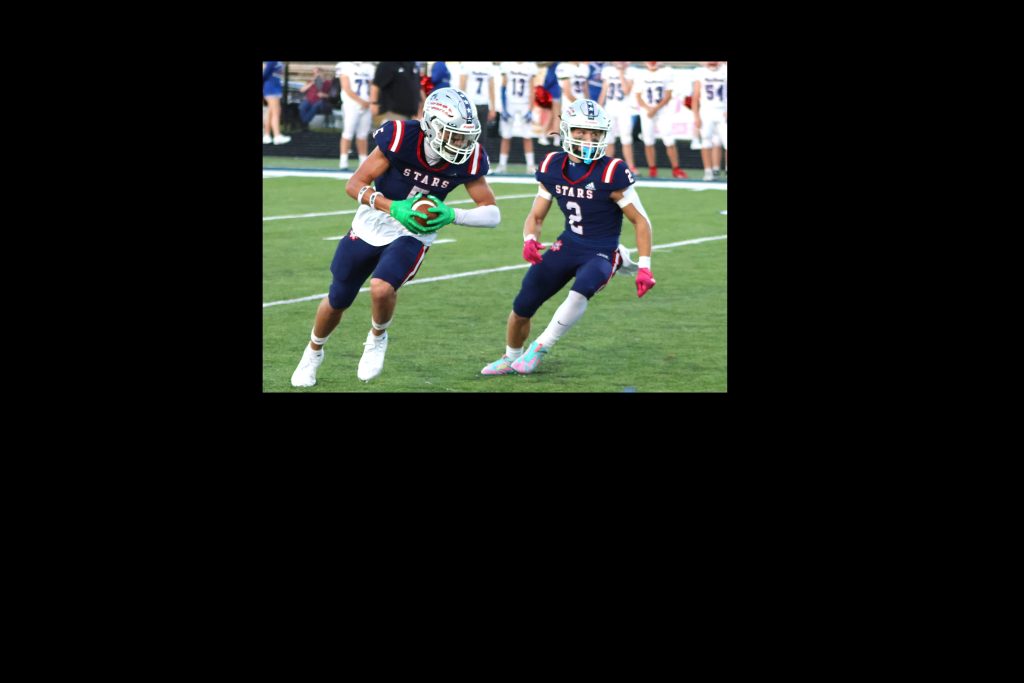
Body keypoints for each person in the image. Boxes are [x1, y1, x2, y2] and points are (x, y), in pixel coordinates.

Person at [290, 87, 502, 387]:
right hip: (372, 222)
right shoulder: (402, 137)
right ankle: (313, 352)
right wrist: (392, 207)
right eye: (454, 135)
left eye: (465, 137)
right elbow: (355, 184)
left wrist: (452, 214)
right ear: (431, 126)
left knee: (381, 287)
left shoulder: (470, 158)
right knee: (338, 297)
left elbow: (492, 213)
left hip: (414, 232)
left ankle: (377, 337)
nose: (461, 144)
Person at [480, 99, 655, 377]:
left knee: (582, 288)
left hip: (601, 250)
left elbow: (640, 220)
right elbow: (537, 215)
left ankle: (541, 346)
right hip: (568, 244)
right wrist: (529, 239)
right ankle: (510, 357)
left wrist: (645, 266)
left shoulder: (611, 171)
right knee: (523, 304)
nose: (589, 139)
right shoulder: (552, 165)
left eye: (595, 134)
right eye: (581, 132)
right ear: (566, 131)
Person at [634, 61, 685, 178]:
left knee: (669, 140)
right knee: (648, 141)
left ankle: (676, 169)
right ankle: (652, 169)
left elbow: (668, 95)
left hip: (662, 111)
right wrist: (649, 109)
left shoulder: (666, 73)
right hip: (647, 112)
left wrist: (655, 109)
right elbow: (638, 96)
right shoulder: (640, 75)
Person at [496, 61, 539, 174]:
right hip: (510, 103)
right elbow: (503, 87)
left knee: (527, 135)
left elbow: (532, 89)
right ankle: (502, 164)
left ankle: (530, 165)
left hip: (525, 103)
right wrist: (504, 108)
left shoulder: (530, 66)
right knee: (506, 136)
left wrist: (530, 109)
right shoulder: (507, 65)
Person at [598, 61, 638, 172]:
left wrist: (621, 73)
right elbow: (604, 91)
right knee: (608, 138)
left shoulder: (631, 71)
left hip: (624, 110)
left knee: (626, 138)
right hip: (609, 109)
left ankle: (630, 166)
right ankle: (606, 166)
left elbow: (626, 90)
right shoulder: (608, 70)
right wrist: (599, 107)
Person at [336, 61, 376, 169]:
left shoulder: (369, 67)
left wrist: (370, 101)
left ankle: (363, 162)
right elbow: (346, 88)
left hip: (366, 104)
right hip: (351, 104)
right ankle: (343, 162)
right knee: (348, 133)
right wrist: (361, 102)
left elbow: (372, 86)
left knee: (363, 134)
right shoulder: (344, 65)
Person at [692, 61, 728, 181]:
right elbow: (695, 96)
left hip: (722, 111)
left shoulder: (724, 70)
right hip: (706, 112)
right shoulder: (700, 72)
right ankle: (708, 171)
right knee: (706, 142)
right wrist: (696, 116)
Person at [458, 62, 500, 151]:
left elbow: (491, 87)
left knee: (482, 134)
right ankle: (466, 155)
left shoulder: (489, 65)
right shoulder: (467, 64)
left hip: (483, 103)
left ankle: (480, 156)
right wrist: (461, 104)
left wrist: (493, 108)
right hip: (470, 104)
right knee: (467, 132)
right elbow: (462, 85)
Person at [370, 61, 423, 129]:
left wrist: (422, 106)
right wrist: (373, 103)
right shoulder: (387, 64)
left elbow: (418, 87)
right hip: (394, 114)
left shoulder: (412, 64)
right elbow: (376, 85)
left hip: (413, 115)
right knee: (392, 135)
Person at [262, 61, 291, 145]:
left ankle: (266, 136)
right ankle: (277, 136)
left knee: (270, 112)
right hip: (271, 88)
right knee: (276, 112)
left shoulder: (279, 62)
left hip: (274, 88)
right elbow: (265, 74)